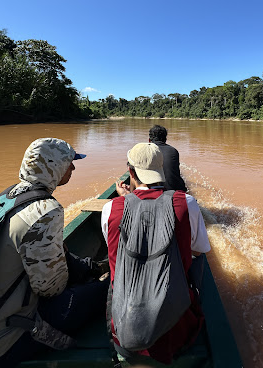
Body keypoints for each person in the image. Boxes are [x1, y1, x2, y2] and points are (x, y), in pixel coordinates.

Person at [0, 138, 108, 368]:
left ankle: (91, 270)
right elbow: (51, 289)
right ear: (53, 166)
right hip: (5, 338)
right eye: (69, 163)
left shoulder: (6, 196)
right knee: (105, 289)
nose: (73, 168)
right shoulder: (45, 211)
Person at [101, 142, 210, 365]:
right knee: (199, 260)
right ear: (161, 169)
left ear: (131, 172)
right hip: (177, 333)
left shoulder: (111, 208)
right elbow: (199, 249)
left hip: (125, 332)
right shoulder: (186, 203)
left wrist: (125, 198)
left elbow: (115, 251)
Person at [148, 125, 187, 191]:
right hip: (177, 190)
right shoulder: (173, 151)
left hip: (157, 191)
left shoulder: (146, 151)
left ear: (149, 140)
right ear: (165, 139)